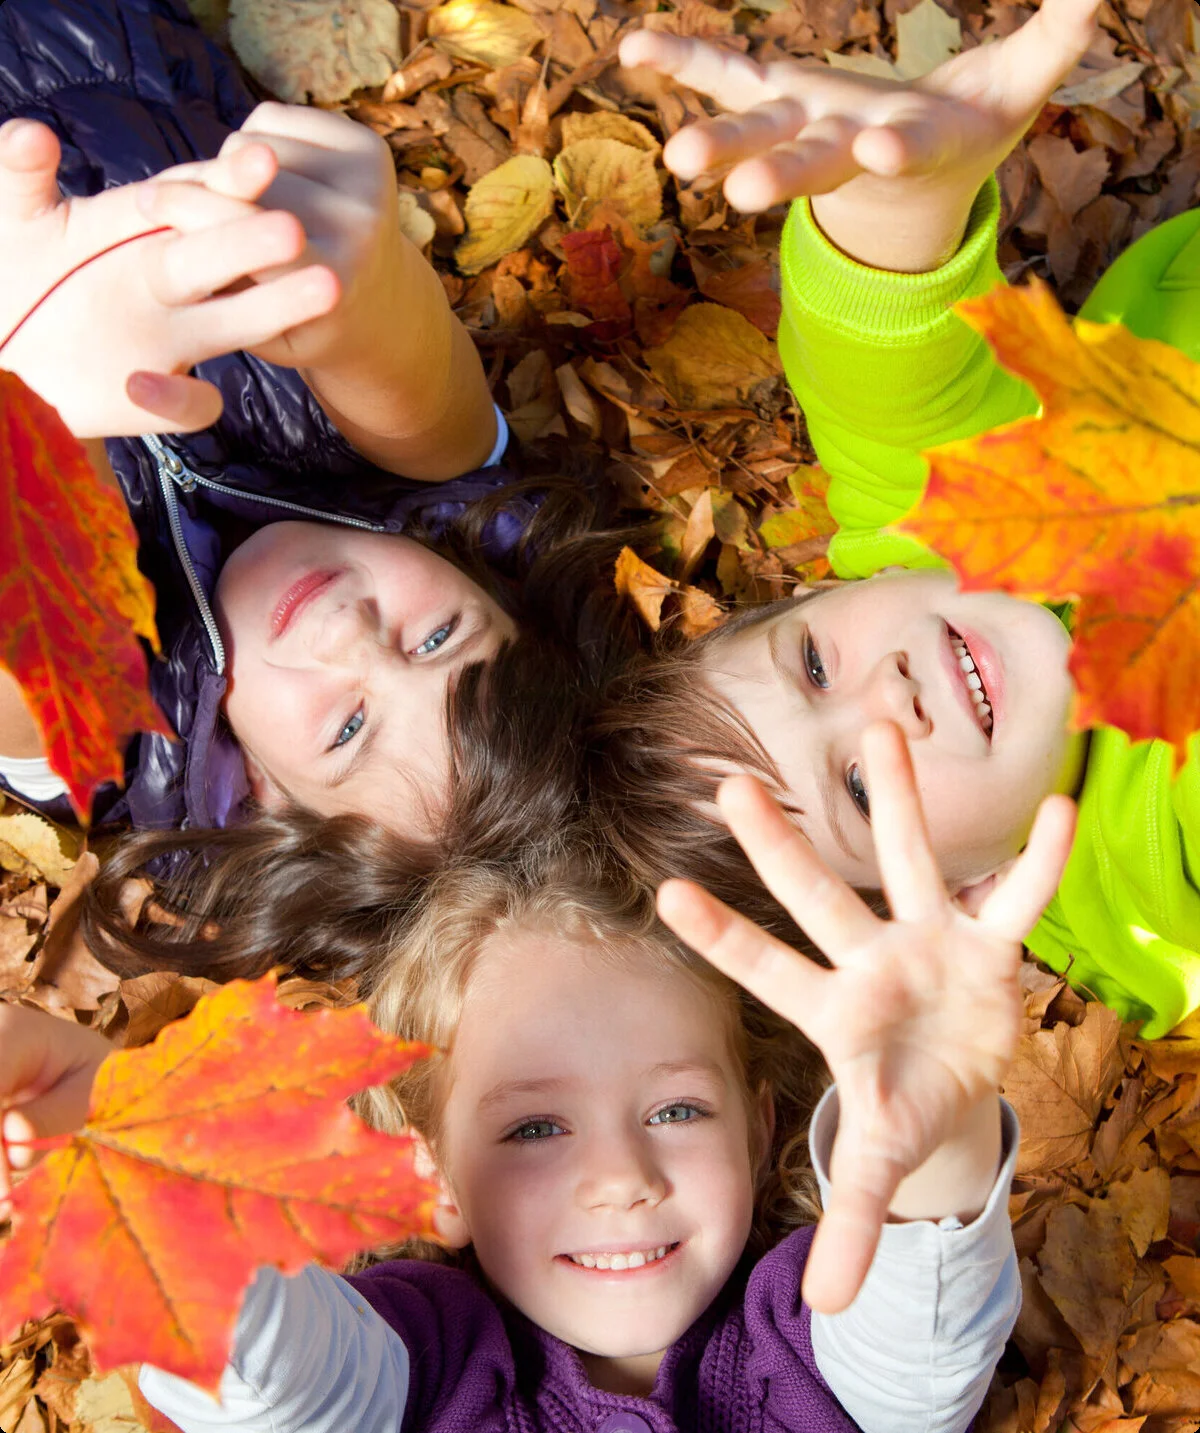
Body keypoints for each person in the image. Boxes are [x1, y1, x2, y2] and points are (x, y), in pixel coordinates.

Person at [0, 723, 1076, 1432]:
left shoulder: (794, 1332)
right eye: (531, 1129)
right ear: (440, 1183)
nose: (620, 1174)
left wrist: (935, 1120)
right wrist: (145, 1165)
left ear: (759, 1129)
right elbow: (294, 1388)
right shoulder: (431, 1361)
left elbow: (917, 1357)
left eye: (676, 1107)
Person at [591, 0, 1200, 1039]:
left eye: (817, 665)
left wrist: (888, 198)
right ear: (965, 895)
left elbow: (883, 368)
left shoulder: (939, 542)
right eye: (863, 790)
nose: (889, 699)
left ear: (839, 586)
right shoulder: (1160, 868)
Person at [0, 0, 633, 848]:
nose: (350, 632)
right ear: (492, 587)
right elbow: (406, 370)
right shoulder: (430, 488)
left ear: (267, 797)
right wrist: (358, 288)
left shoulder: (112, 742)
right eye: (439, 634)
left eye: (347, 728)